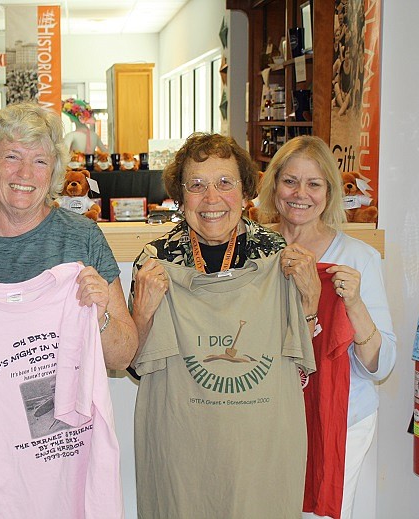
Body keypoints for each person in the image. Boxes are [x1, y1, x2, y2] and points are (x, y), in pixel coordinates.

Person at [0, 101, 138, 516]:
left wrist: (101, 313)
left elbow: (124, 354)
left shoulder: (82, 240)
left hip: (60, 454)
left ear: (53, 174)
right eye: (11, 157)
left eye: (39, 161)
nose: (24, 174)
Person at [129, 132, 314, 518]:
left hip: (257, 447)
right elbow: (133, 363)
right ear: (181, 197)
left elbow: (299, 362)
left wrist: (309, 301)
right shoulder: (155, 261)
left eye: (225, 183)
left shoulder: (276, 256)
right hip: (184, 446)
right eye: (196, 185)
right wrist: (142, 313)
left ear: (245, 192)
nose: (211, 198)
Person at [258, 135, 396, 519]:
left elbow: (381, 365)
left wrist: (353, 303)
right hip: (269, 414)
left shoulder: (358, 259)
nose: (300, 193)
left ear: (329, 192)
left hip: (337, 420)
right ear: (274, 186)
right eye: (290, 181)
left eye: (314, 183)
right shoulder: (255, 253)